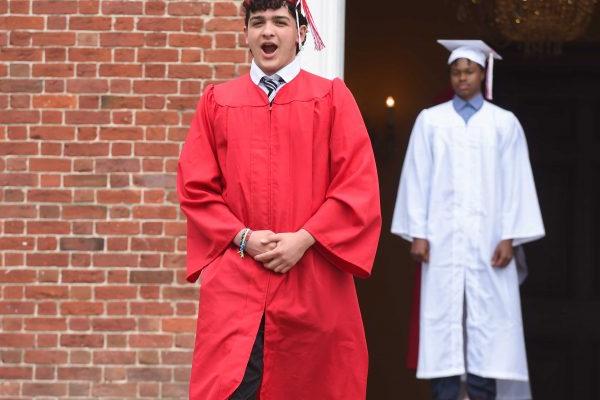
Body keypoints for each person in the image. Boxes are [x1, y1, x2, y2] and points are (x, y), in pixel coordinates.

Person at [177, 1, 381, 398]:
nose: (268, 32)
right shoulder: (218, 101)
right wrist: (242, 237)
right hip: (238, 279)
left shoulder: (332, 98)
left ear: (300, 33)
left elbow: (356, 184)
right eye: (258, 23)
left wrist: (304, 238)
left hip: (311, 277)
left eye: (280, 22)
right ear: (246, 35)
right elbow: (196, 187)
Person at [391, 40, 545, 400]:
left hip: (490, 242)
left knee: (490, 329)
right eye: (456, 71)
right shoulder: (431, 121)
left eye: (470, 71)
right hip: (442, 241)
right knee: (443, 325)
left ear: (482, 74)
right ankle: (444, 393)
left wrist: (510, 235)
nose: (463, 77)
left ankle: (482, 392)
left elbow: (517, 181)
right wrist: (418, 232)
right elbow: (418, 176)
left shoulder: (504, 124)